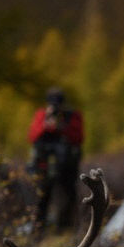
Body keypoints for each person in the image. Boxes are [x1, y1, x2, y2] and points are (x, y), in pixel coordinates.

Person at [27, 87, 83, 230]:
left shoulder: (72, 116)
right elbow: (32, 136)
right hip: (43, 166)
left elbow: (79, 138)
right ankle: (39, 228)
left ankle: (65, 228)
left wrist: (63, 127)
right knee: (41, 197)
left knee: (67, 197)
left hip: (66, 167)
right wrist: (46, 125)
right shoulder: (41, 115)